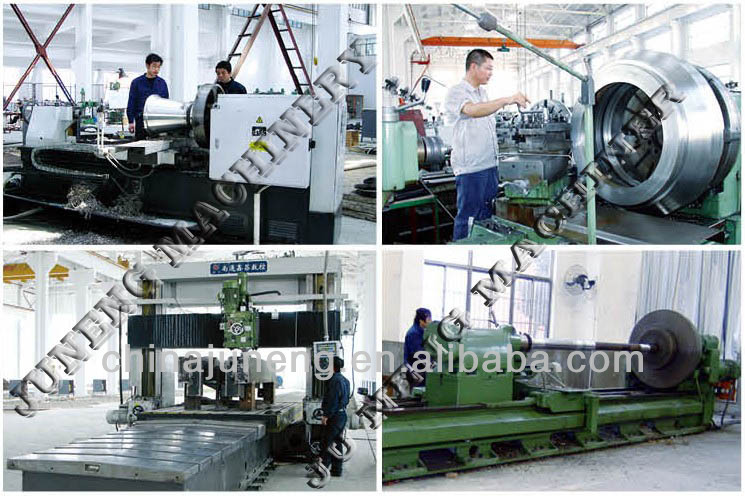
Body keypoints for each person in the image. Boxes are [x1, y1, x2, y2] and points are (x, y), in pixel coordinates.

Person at [444, 49, 530, 241]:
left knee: (486, 216)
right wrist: (507, 99)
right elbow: (473, 111)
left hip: (489, 165)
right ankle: (462, 247)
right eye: (488, 68)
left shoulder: (482, 93)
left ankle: (482, 246)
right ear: (474, 66)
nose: (491, 73)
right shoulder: (457, 92)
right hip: (471, 169)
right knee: (469, 217)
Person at [126, 53, 169, 140]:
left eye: (158, 67)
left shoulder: (162, 83)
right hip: (141, 121)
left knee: (157, 145)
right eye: (154, 66)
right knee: (140, 146)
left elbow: (166, 104)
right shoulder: (137, 83)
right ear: (147, 65)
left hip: (158, 122)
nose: (156, 69)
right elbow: (131, 102)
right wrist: (131, 121)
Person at [320, 356, 350, 477]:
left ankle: (323, 471)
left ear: (332, 367)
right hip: (342, 415)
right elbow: (345, 399)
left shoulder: (334, 381)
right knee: (337, 443)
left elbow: (333, 400)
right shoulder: (345, 380)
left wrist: (326, 415)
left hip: (334, 416)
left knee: (327, 443)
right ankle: (337, 470)